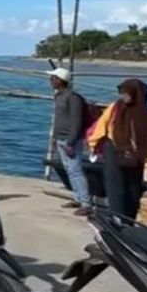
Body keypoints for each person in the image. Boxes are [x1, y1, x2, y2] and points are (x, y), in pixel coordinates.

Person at [87, 78, 147, 219]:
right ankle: (117, 219)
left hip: (137, 157)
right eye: (122, 93)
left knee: (133, 190)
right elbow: (101, 126)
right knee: (115, 188)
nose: (123, 96)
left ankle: (128, 220)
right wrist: (93, 144)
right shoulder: (115, 108)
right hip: (114, 152)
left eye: (126, 93)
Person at [48, 67, 91, 216]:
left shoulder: (73, 98)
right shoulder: (59, 96)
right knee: (69, 169)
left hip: (70, 139)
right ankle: (77, 198)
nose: (51, 81)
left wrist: (71, 142)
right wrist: (55, 138)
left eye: (53, 78)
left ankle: (86, 203)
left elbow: (76, 121)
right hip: (60, 137)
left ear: (61, 80)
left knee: (75, 170)